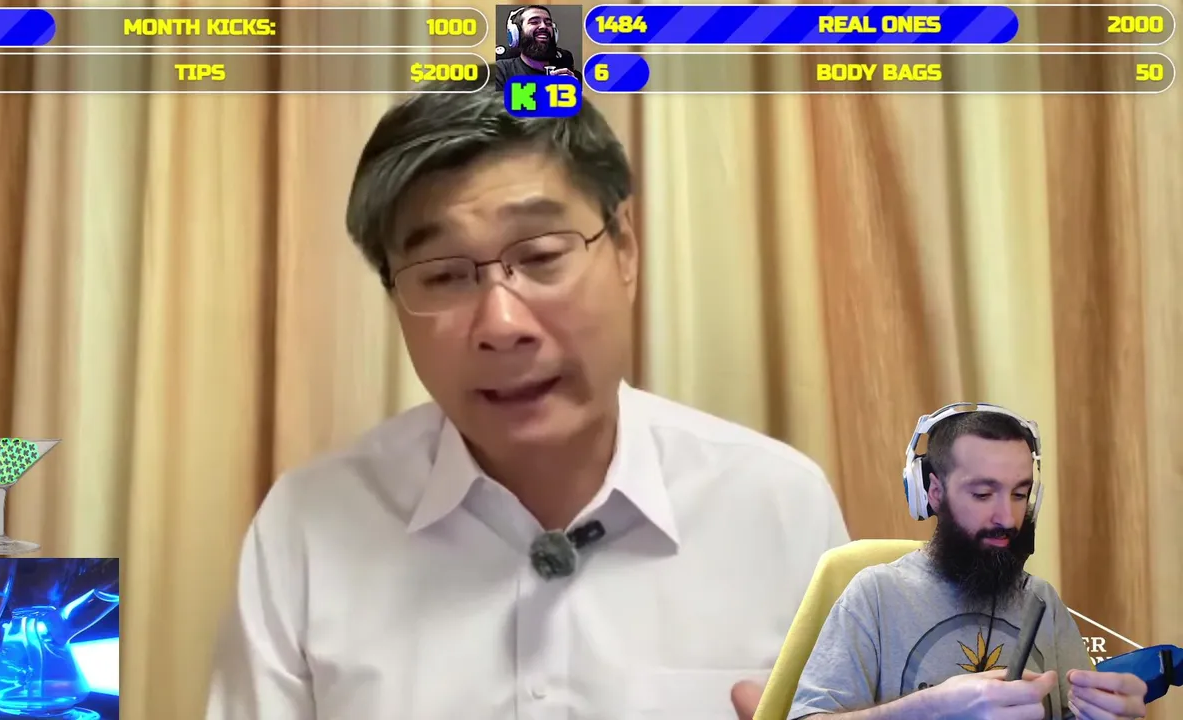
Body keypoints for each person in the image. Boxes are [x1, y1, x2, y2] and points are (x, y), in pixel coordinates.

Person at [204, 86, 850, 720]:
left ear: (624, 249)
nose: (502, 324)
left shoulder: (778, 509)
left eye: (540, 256)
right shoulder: (307, 531)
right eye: (444, 275)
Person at [788, 405, 1149, 720]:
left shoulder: (1041, 601)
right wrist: (931, 708)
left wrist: (1111, 713)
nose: (1007, 517)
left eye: (1020, 494)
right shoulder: (875, 596)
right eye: (983, 494)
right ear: (933, 493)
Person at [494, 5, 580, 90]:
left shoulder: (568, 73)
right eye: (534, 22)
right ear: (516, 33)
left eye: (548, 23)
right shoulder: (501, 71)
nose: (544, 26)